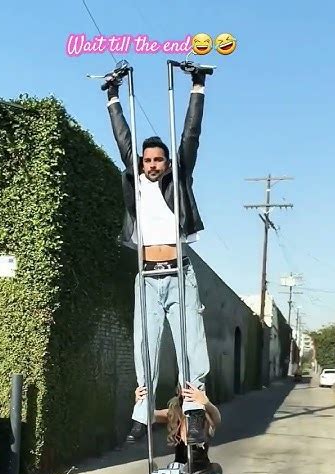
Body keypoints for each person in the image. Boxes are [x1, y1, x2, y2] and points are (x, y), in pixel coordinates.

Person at [104, 65, 210, 445]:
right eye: (147, 160)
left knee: (189, 346)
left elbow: (190, 136)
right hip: (147, 276)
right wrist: (113, 96)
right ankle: (141, 413)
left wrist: (197, 86)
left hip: (180, 274)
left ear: (166, 163)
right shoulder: (135, 180)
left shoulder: (177, 180)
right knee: (144, 347)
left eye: (158, 160)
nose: (151, 165)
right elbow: (123, 139)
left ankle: (194, 411)